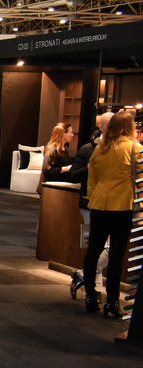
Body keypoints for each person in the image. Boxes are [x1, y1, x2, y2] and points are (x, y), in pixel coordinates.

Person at [81, 110, 139, 319]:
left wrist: (92, 198)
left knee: (93, 251)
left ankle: (90, 296)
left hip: (99, 205)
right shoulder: (135, 148)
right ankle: (112, 301)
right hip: (122, 206)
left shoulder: (100, 148)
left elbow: (92, 179)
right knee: (116, 254)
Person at [68, 111, 113, 299]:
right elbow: (72, 175)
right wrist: (88, 168)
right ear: (100, 126)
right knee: (97, 247)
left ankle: (84, 277)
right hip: (90, 204)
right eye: (108, 124)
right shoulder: (88, 149)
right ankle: (93, 290)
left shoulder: (116, 149)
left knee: (105, 248)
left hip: (111, 205)